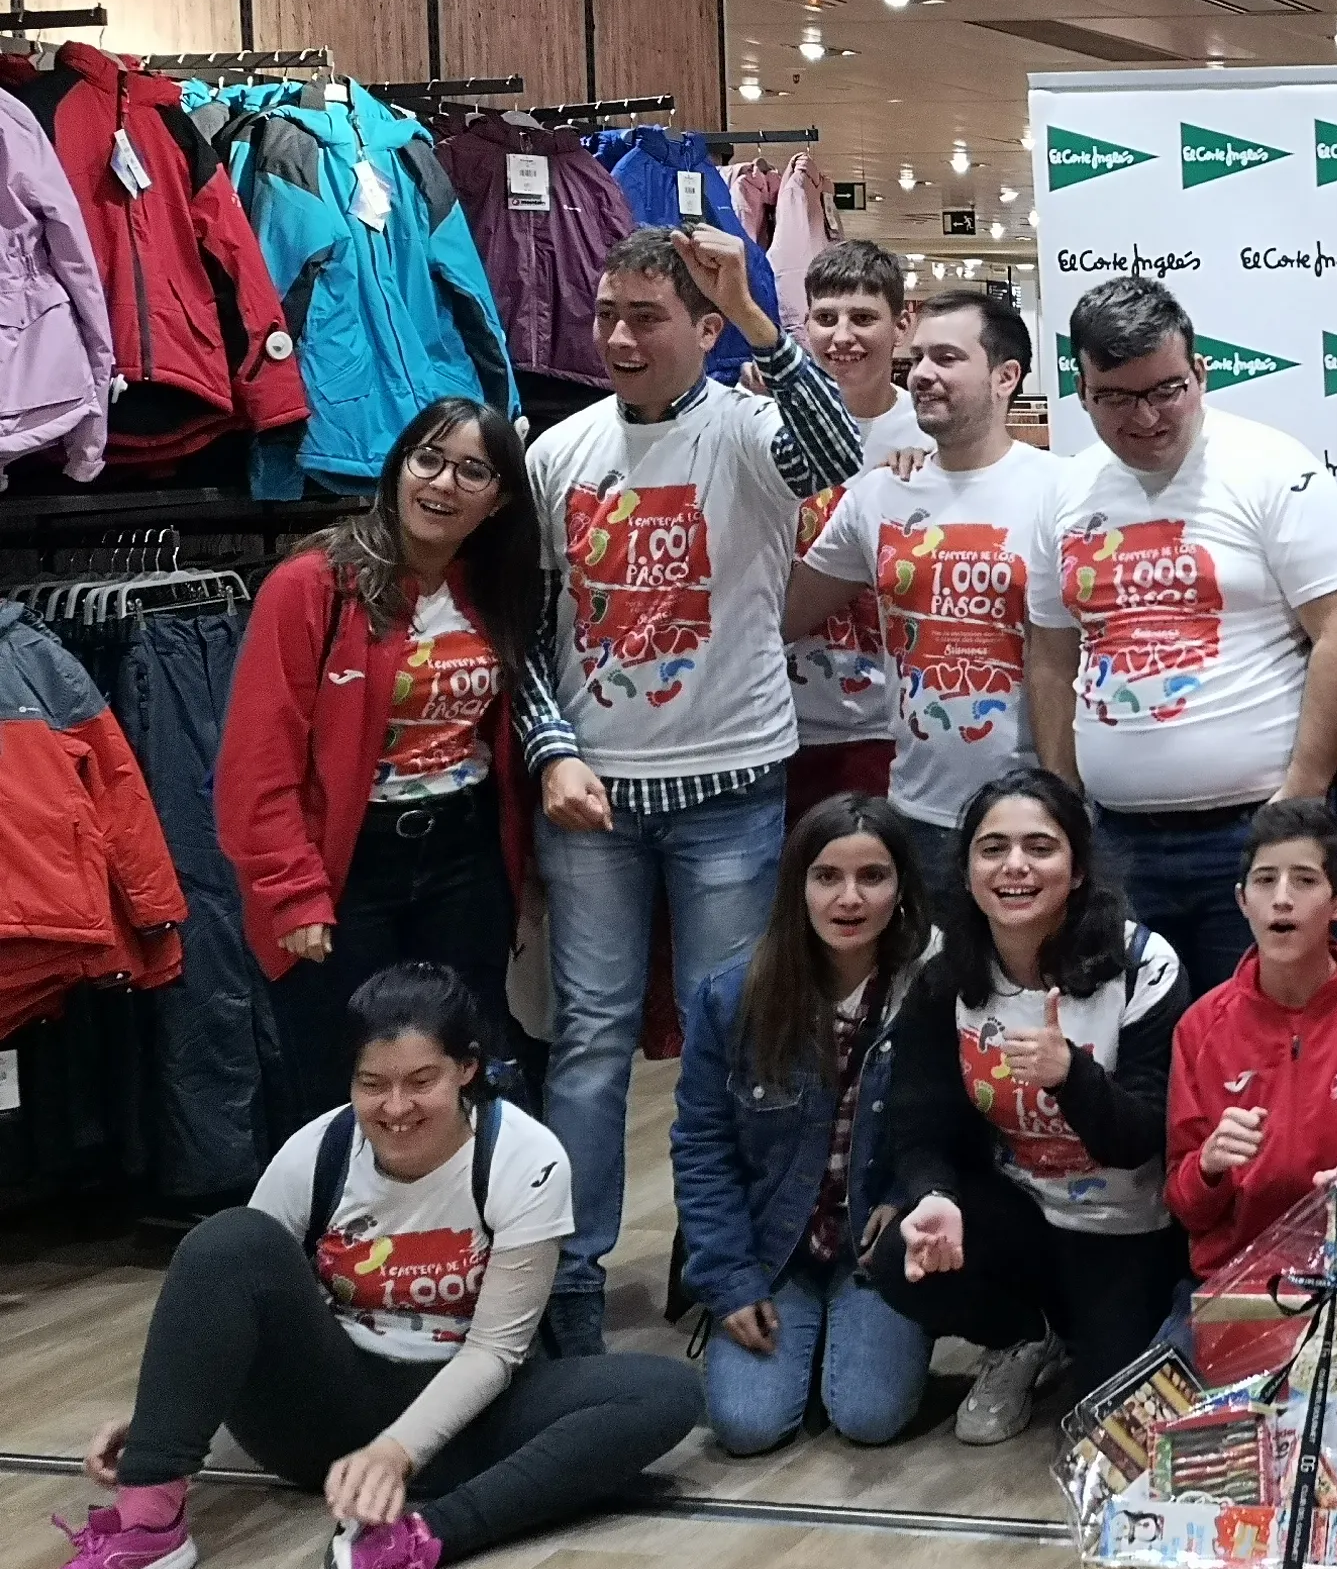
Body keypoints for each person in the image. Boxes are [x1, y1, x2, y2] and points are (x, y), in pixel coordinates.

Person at [7, 965, 701, 1569]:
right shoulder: (318, 1150)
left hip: (466, 1415)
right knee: (229, 1238)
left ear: (467, 1069)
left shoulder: (528, 1158)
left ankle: (417, 1539)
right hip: (327, 1410)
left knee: (663, 1392)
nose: (395, 1109)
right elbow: (231, 1289)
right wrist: (161, 1415)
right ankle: (146, 1529)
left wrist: (397, 1453)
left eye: (420, 1081)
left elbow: (495, 1352)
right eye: (373, 1084)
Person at [523, 222, 865, 1356]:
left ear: (704, 332)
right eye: (607, 315)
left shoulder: (751, 432)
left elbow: (840, 453)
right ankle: (571, 1280)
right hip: (595, 799)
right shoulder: (555, 454)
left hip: (728, 787)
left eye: (646, 317)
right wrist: (548, 747)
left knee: (738, 1042)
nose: (618, 337)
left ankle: (734, 1264)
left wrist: (766, 318)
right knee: (590, 1043)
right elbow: (527, 630)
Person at [217, 397, 589, 1134]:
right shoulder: (313, 585)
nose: (443, 483)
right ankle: (338, 1244)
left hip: (465, 859)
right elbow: (257, 762)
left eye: (472, 471)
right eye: (429, 459)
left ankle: (454, 1241)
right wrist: (291, 893)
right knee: (342, 1075)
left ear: (498, 499)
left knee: (456, 1067)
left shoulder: (495, 591)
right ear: (398, 469)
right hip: (348, 869)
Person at [1030, 275, 1337, 997]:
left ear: (1200, 373)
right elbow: (1053, 652)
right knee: (1135, 1054)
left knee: (1271, 1039)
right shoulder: (1066, 492)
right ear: (1083, 392)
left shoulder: (1272, 468)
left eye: (1167, 390)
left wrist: (1300, 797)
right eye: (1117, 397)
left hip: (1255, 831)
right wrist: (1065, 801)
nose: (1147, 417)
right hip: (1117, 840)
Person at [868, 770, 1190, 1437]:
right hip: (1024, 1212)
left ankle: (1097, 1334)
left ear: (1076, 870)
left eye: (1039, 847)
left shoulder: (1143, 964)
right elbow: (919, 1121)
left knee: (1108, 1424)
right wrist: (930, 1193)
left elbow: (1145, 1137)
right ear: (965, 872)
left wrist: (1070, 1075)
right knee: (903, 1254)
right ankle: (1024, 1337)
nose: (1014, 865)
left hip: (1130, 1226)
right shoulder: (946, 975)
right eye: (992, 849)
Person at [667, 796, 937, 1457]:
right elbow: (702, 1149)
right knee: (747, 1427)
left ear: (902, 889)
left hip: (874, 1250)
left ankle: (847, 1342)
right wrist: (730, 1281)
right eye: (827, 878)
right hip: (774, 1247)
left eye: (872, 877)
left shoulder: (934, 992)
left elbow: (953, 1130)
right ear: (798, 887)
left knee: (869, 1417)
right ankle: (808, 1338)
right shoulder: (731, 997)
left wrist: (908, 1198)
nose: (849, 899)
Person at [791, 283, 1060, 891]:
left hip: (1035, 817)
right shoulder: (878, 494)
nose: (922, 376)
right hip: (917, 816)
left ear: (1005, 375)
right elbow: (781, 612)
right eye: (917, 360)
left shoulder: (1064, 491)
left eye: (947, 358)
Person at [1165, 799, 1337, 1284]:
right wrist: (1207, 1167)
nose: (1281, 899)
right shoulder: (1200, 1027)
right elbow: (1186, 1208)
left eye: (1304, 880)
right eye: (1265, 881)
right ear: (1243, 901)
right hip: (1237, 1283)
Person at [780, 239, 926, 817]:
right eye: (825, 318)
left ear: (902, 323)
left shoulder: (934, 433)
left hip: (892, 722)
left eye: (863, 318)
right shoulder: (765, 424)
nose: (843, 336)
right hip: (780, 721)